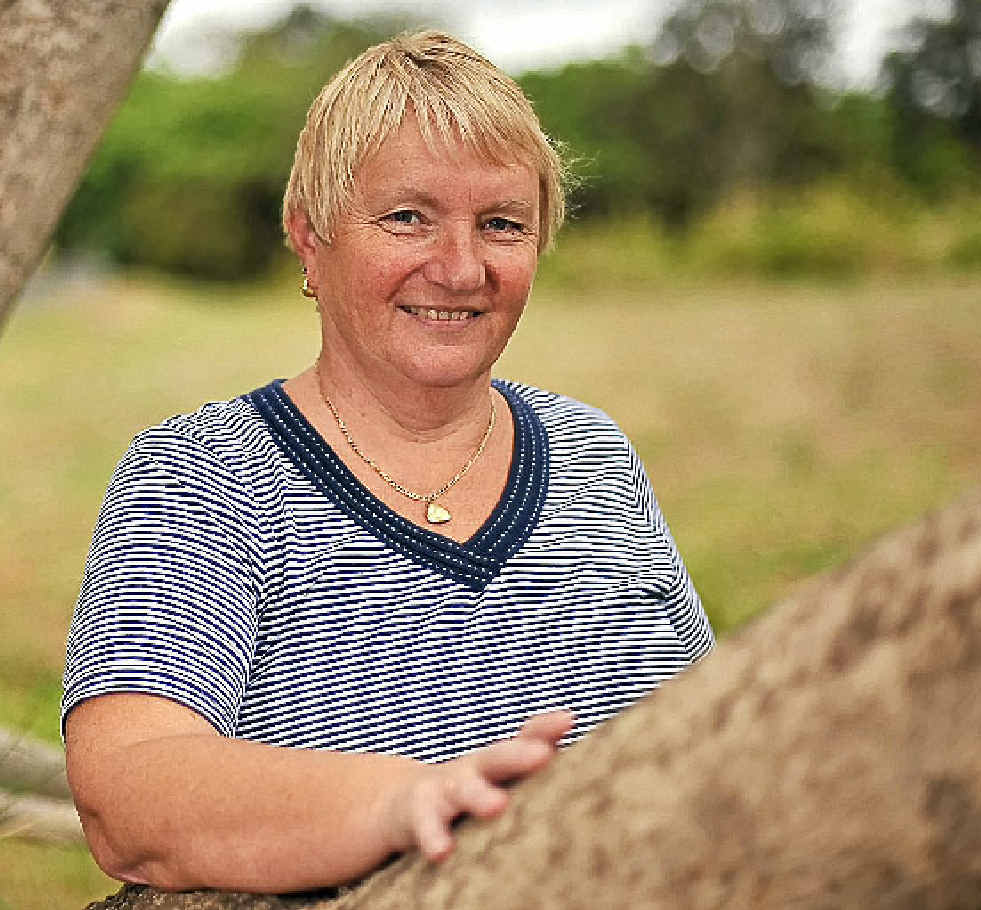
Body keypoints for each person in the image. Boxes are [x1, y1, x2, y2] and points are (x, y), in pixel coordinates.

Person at [62, 30, 714, 893]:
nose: (459, 267)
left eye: (501, 224)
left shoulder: (595, 453)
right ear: (308, 238)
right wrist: (405, 804)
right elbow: (128, 792)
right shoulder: (203, 472)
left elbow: (712, 729)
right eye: (406, 217)